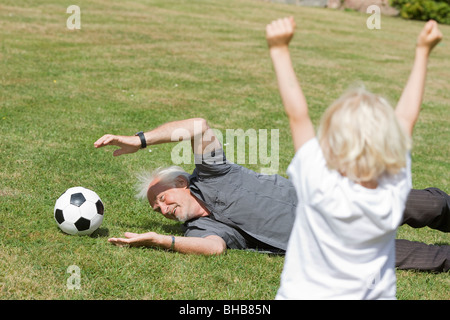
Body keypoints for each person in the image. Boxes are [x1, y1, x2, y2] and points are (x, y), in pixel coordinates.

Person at [93, 37, 449, 273]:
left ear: (182, 182)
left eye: (162, 198)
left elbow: (199, 125)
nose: (162, 209)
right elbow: (215, 248)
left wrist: (139, 140)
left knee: (432, 207)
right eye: (157, 210)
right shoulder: (198, 228)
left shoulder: (214, 173)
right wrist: (160, 239)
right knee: (429, 260)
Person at [266, 17, 443, 299]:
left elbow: (297, 114)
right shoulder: (393, 187)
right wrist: (423, 52)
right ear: (390, 145)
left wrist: (278, 49)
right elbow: (407, 117)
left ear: (332, 146)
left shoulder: (318, 182)